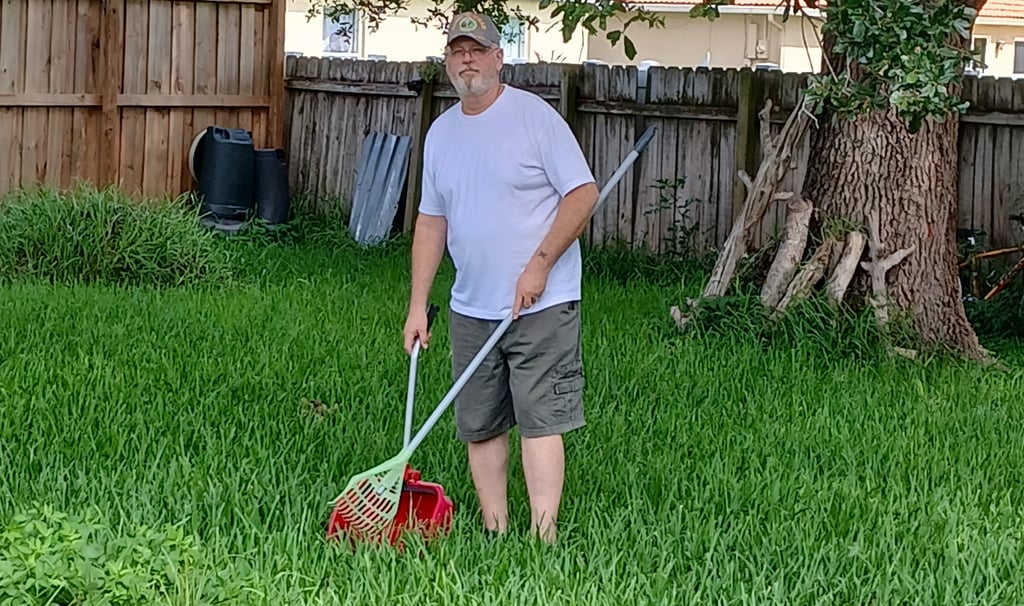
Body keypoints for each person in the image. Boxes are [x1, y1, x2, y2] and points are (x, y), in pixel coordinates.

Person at [401, 11, 599, 544]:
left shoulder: (534, 119)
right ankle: (495, 528)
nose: (466, 60)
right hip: (471, 305)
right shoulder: (442, 134)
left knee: (540, 417)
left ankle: (543, 535)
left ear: (497, 57)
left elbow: (582, 194)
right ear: (447, 63)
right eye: (456, 51)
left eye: (476, 50)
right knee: (481, 421)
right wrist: (419, 305)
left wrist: (539, 264)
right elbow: (430, 220)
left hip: (542, 302)